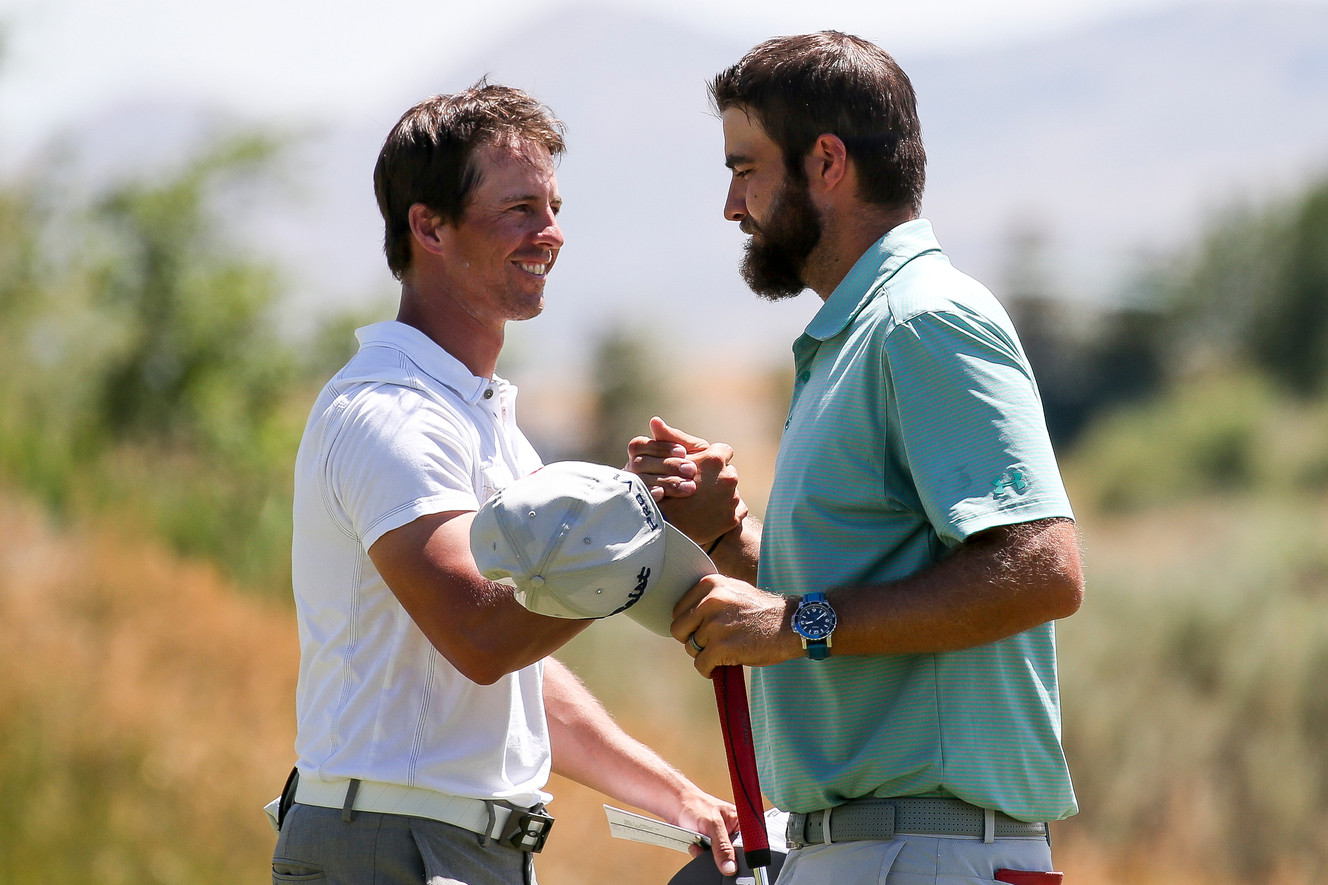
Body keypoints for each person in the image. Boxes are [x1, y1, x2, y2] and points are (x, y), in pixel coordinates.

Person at [629, 32, 1085, 885]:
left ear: (827, 161)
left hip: (932, 853)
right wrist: (726, 538)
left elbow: (1042, 571)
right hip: (874, 849)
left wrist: (794, 622)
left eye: (745, 168)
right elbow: (844, 590)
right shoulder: (857, 336)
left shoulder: (922, 320)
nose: (733, 205)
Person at [270, 82, 739, 885]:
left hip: (448, 847)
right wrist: (634, 515)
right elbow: (480, 636)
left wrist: (676, 797)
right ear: (429, 227)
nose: (550, 233)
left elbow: (518, 666)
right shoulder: (392, 413)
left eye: (553, 206)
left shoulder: (483, 422)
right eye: (520, 208)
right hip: (392, 846)